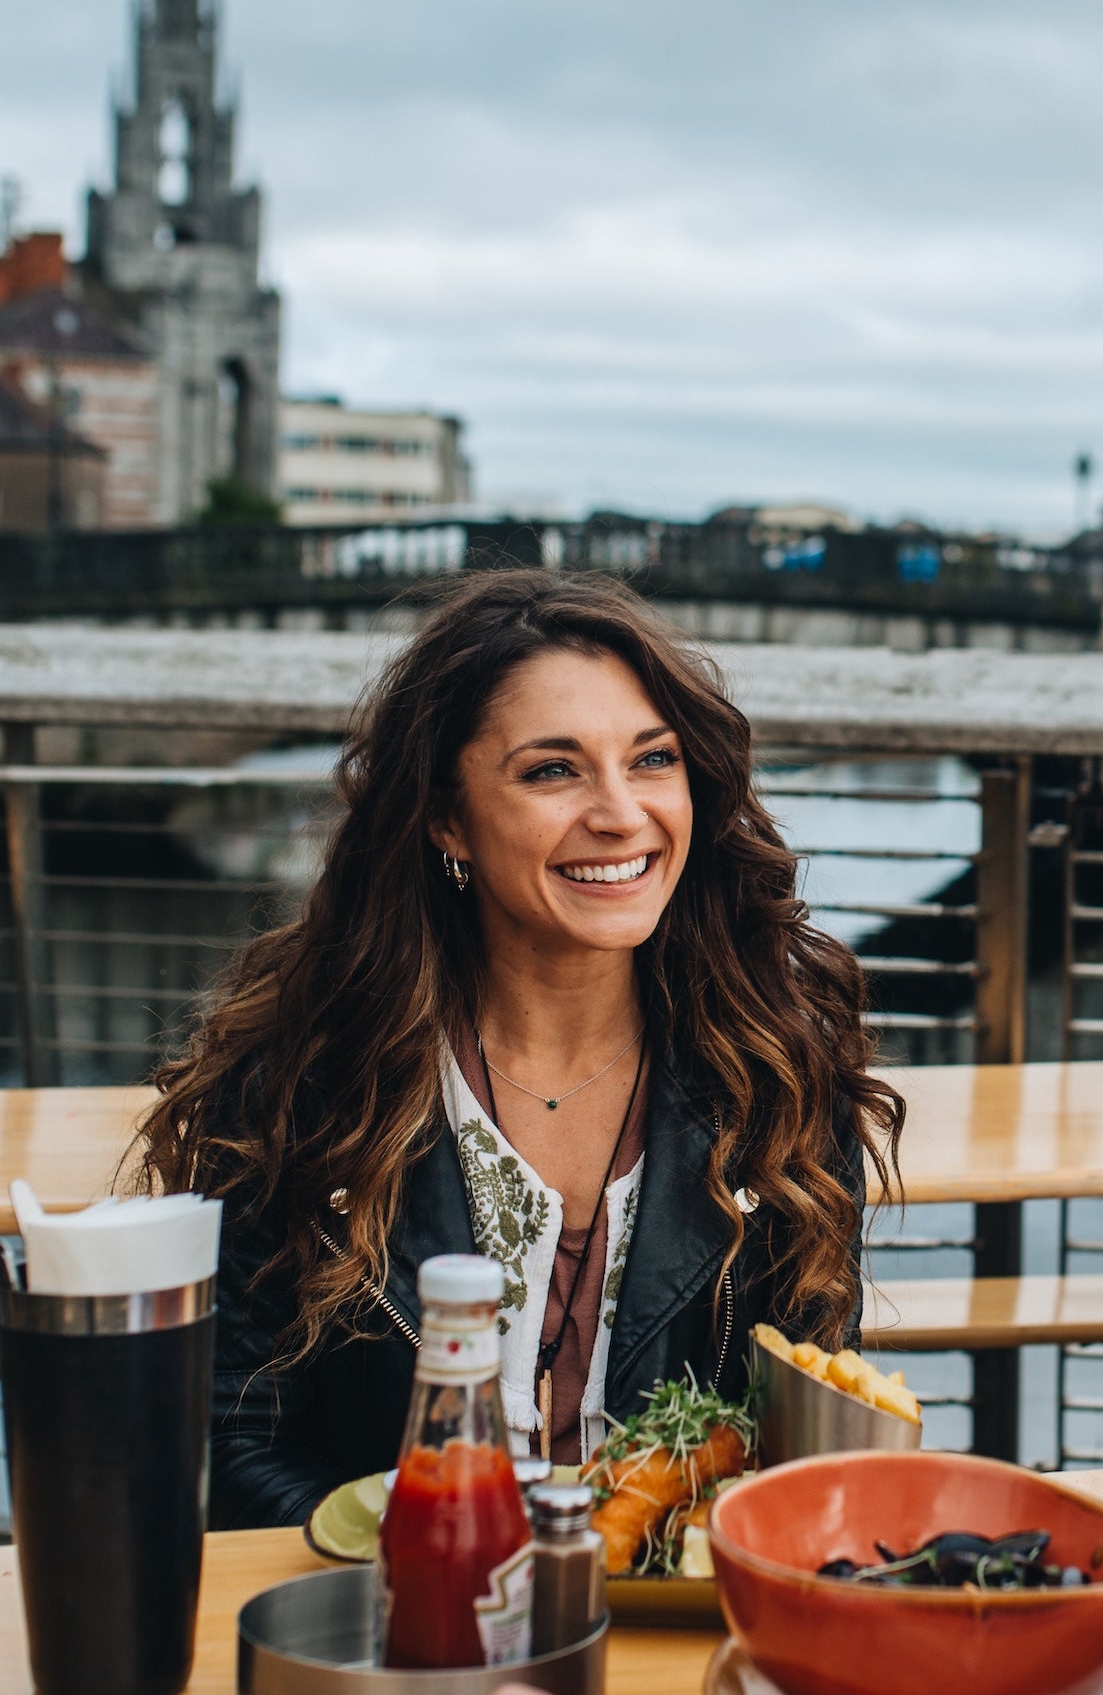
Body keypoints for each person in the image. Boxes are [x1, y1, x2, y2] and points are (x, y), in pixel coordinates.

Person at [141, 570, 899, 1529]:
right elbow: (233, 1445)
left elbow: (813, 1435)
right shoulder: (306, 1081)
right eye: (552, 770)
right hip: (388, 1640)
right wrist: (425, 1561)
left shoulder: (775, 1076)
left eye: (653, 760)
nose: (622, 814)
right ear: (446, 816)